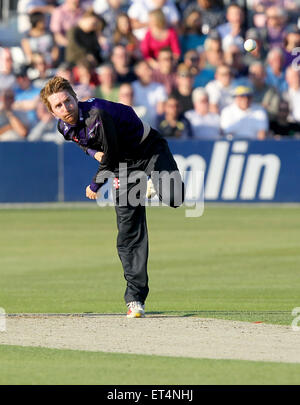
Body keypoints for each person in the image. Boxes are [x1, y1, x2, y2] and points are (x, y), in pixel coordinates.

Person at [40, 76, 185, 318]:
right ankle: (135, 299)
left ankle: (153, 183)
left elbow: (112, 154)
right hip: (124, 168)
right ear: (52, 111)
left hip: (148, 149)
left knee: (174, 198)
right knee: (128, 232)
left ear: (76, 98)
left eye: (68, 101)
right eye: (58, 106)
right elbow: (81, 141)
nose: (66, 109)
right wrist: (92, 151)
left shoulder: (97, 115)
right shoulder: (63, 127)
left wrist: (95, 184)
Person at [132, 60, 167, 128]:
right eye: (146, 69)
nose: (150, 72)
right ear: (137, 72)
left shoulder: (159, 88)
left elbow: (160, 112)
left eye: (150, 69)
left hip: (153, 129)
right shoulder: (132, 87)